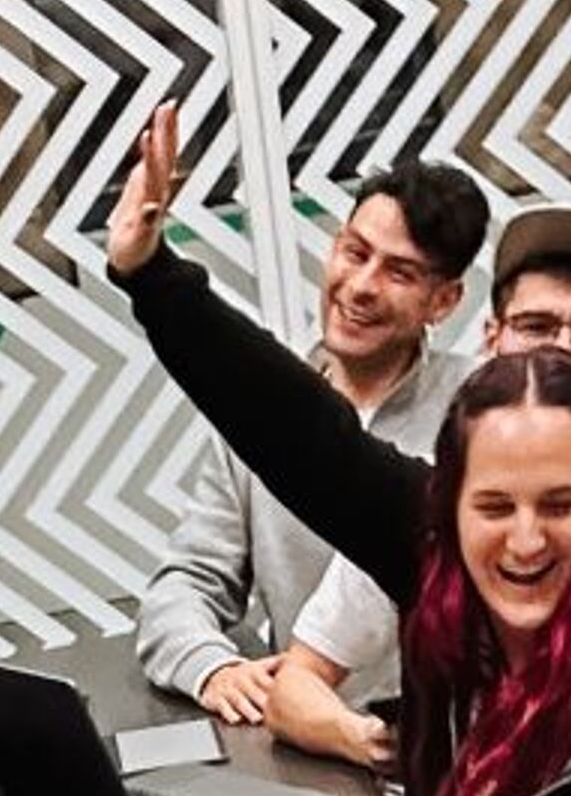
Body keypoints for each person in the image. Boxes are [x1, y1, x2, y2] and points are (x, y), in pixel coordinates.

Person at [106, 111, 571, 796]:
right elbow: (295, 426)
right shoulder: (431, 551)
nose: (525, 540)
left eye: (561, 504)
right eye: (494, 505)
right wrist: (152, 277)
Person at [262, 198, 571, 776]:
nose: (561, 348)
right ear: (493, 337)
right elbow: (298, 679)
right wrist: (380, 743)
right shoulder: (438, 486)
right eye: (536, 325)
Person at [130, 148, 479, 716]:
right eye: (354, 252)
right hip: (301, 746)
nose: (361, 286)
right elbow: (187, 582)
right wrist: (212, 666)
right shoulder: (265, 411)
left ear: (445, 300)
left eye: (399, 272)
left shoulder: (484, 412)